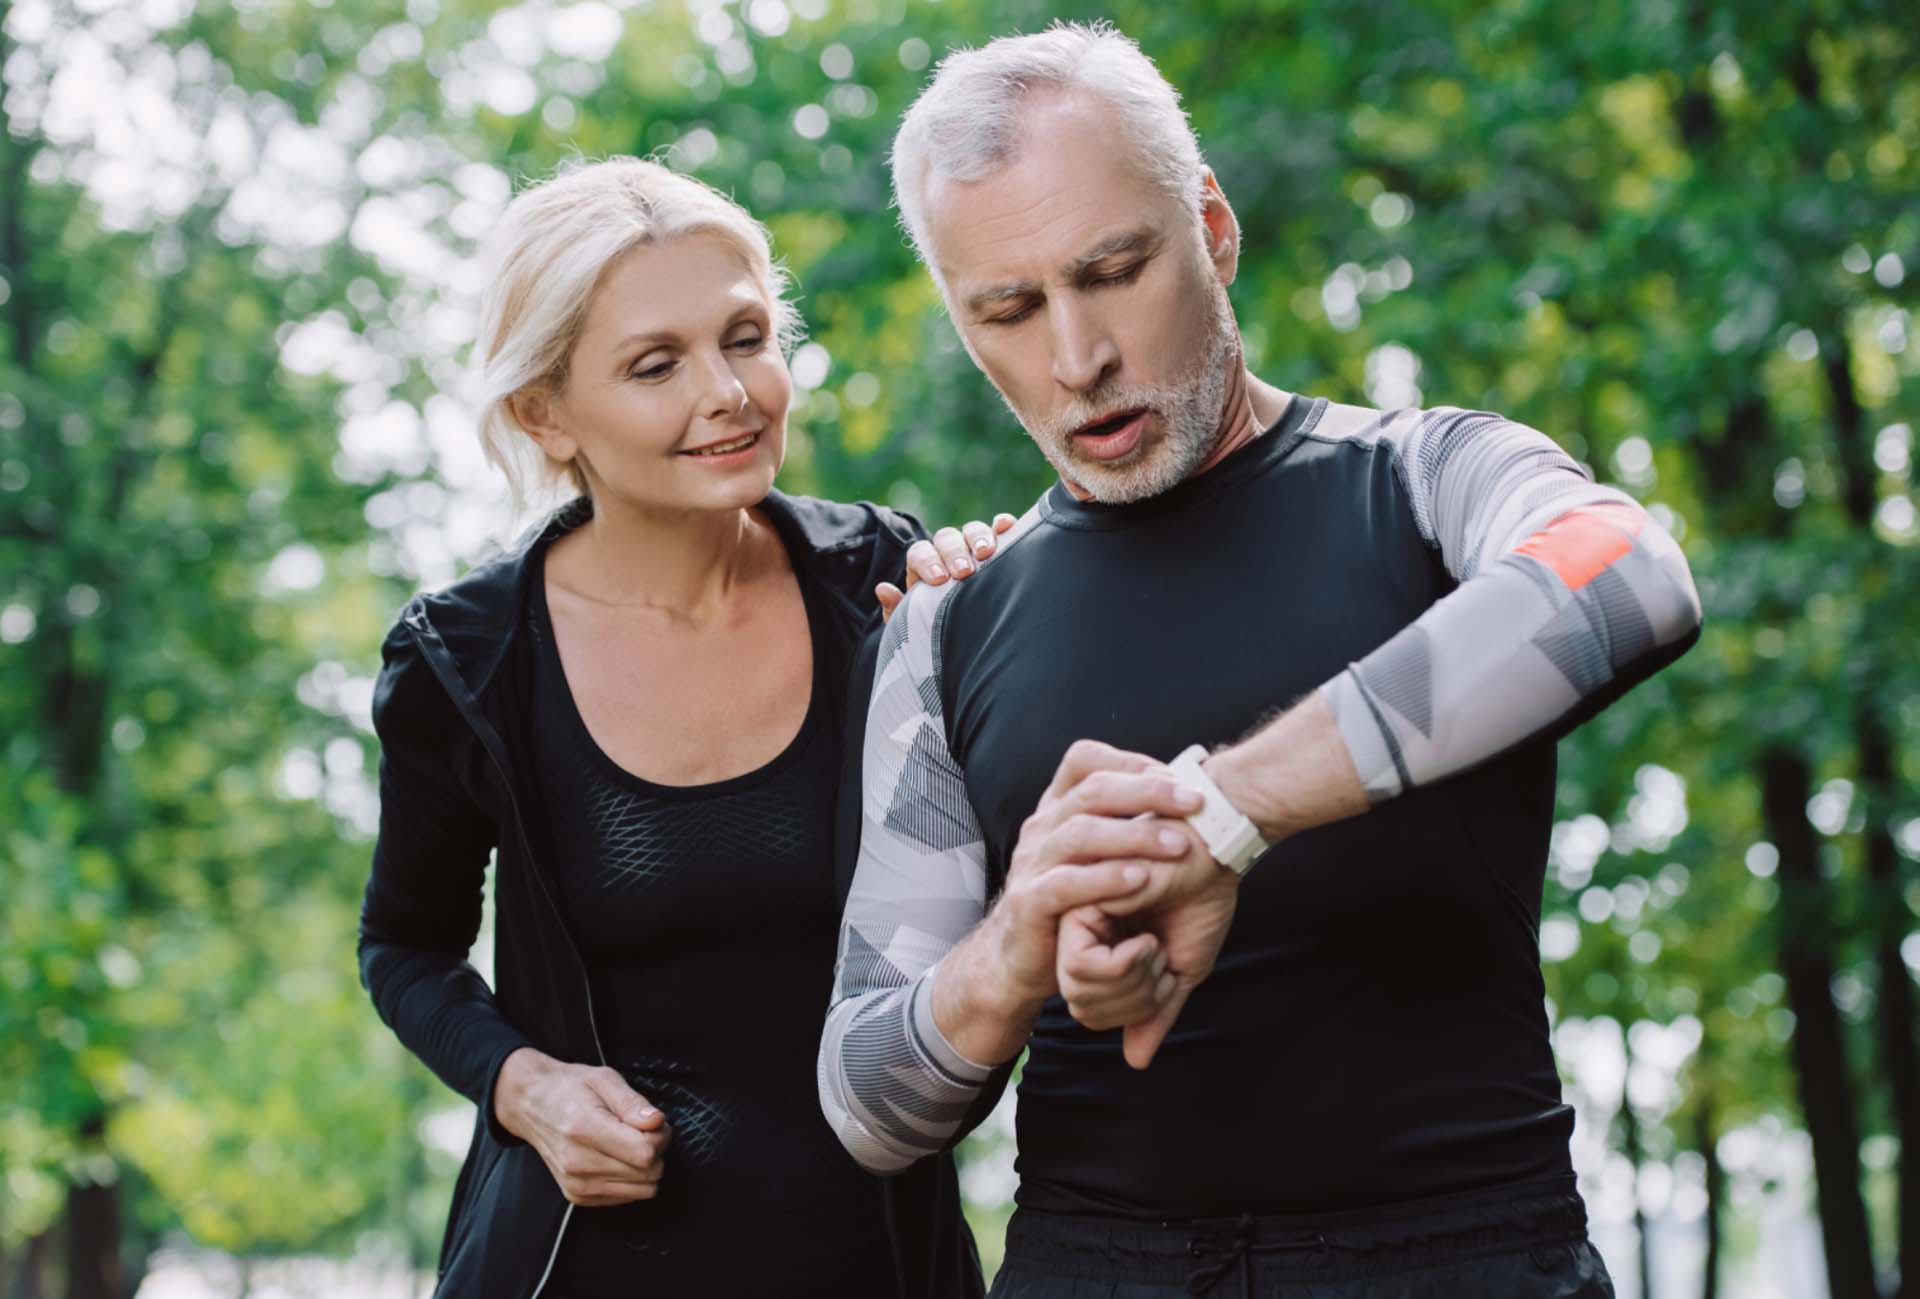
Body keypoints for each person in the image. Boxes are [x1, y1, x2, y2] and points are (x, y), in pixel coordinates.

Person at [819, 22, 1701, 1299]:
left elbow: (1627, 576)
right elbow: (864, 1103)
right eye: (1007, 309)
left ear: (1213, 230)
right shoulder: (944, 625)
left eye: (1113, 270)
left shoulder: (1425, 476)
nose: (1077, 359)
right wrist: (1016, 944)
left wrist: (1222, 818)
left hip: (1461, 1259)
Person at [358, 156, 1015, 1299]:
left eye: (747, 337)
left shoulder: (887, 585)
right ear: (542, 412)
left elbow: (1002, 897)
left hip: (881, 1265)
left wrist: (1010, 642)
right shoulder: (466, 663)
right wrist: (526, 1087)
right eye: (657, 365)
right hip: (580, 1267)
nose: (729, 392)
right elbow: (405, 949)